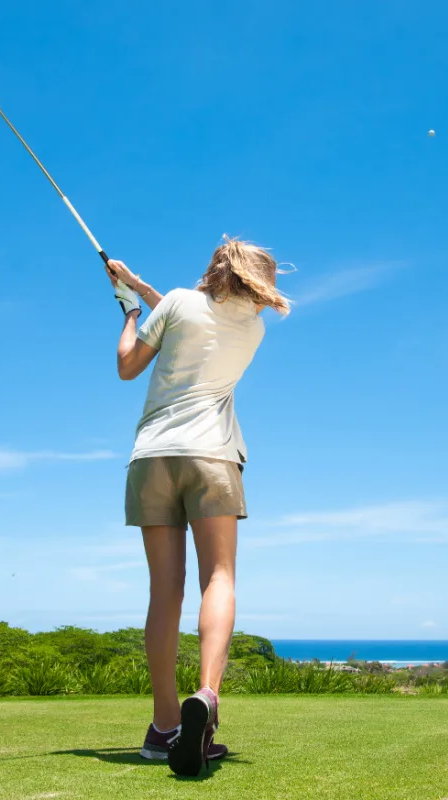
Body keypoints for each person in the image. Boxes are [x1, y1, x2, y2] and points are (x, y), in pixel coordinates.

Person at [105, 238, 289, 776]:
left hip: (153, 458)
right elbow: (192, 323)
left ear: (214, 267)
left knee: (165, 590)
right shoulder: (252, 327)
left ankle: (164, 726)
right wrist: (139, 286)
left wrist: (131, 311)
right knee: (220, 578)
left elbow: (128, 365)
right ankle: (206, 696)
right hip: (213, 458)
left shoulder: (177, 304)